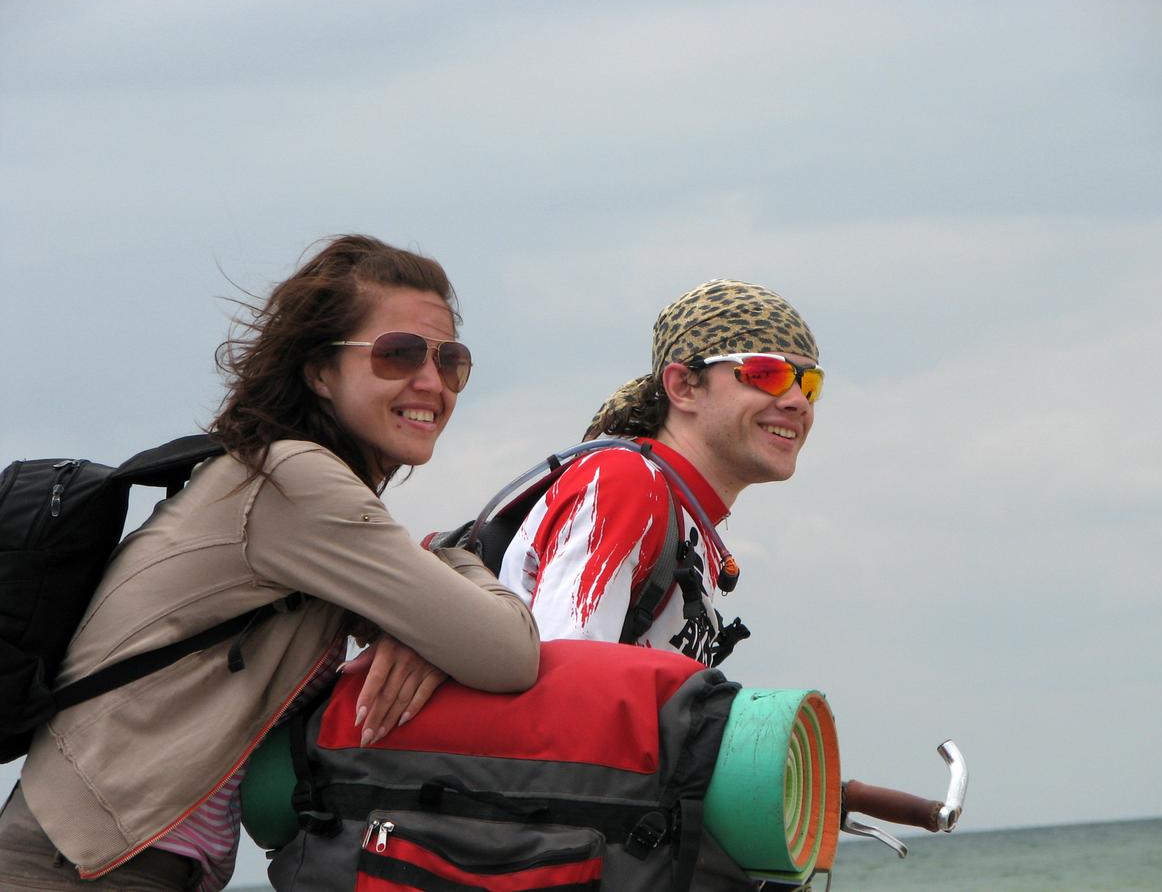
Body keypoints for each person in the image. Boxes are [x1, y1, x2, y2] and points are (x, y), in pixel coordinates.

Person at [0, 235, 540, 891]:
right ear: (319, 372)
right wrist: (457, 562)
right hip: (82, 865)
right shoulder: (295, 482)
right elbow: (508, 653)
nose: (430, 381)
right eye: (398, 354)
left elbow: (457, 635)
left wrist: (429, 630)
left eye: (450, 360)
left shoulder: (280, 483)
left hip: (115, 857)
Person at [498, 278, 821, 666]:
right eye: (766, 374)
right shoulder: (627, 482)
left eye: (810, 383)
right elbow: (566, 679)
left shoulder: (684, 518)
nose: (798, 402)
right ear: (683, 386)